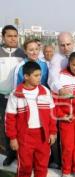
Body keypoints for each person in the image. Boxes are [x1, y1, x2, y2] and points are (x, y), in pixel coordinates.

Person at [5, 61, 56, 177]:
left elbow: (52, 114)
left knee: (42, 164)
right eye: (36, 75)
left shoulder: (45, 91)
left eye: (40, 75)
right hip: (25, 137)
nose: (39, 78)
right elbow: (9, 119)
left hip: (42, 135)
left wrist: (52, 132)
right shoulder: (16, 94)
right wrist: (12, 137)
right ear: (26, 76)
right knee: (25, 166)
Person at [47, 32, 74, 169]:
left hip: (74, 101)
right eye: (62, 45)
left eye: (68, 44)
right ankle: (58, 162)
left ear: (73, 43)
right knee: (59, 132)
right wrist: (61, 90)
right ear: (58, 45)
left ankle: (73, 163)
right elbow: (52, 80)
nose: (65, 47)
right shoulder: (56, 59)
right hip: (60, 100)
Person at [0, 25, 26, 166]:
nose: (13, 38)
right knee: (6, 126)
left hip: (18, 97)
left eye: (15, 36)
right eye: (9, 36)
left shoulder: (22, 53)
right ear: (3, 37)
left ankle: (21, 154)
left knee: (20, 126)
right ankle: (10, 154)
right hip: (2, 97)